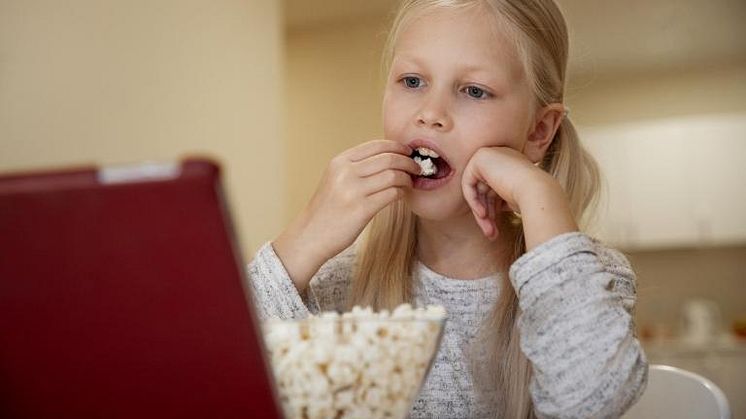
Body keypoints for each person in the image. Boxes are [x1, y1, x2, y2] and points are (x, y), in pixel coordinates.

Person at [247, 0, 648, 417]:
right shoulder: (341, 286)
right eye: (412, 80)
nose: (430, 114)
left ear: (538, 130)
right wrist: (305, 237)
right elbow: (211, 374)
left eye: (474, 91)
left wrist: (539, 195)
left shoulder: (589, 280)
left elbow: (591, 400)